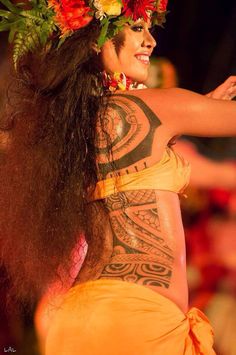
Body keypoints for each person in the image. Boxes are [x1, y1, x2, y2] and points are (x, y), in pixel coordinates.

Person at [1, 1, 236, 354]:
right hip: (136, 321)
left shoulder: (68, 129)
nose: (152, 42)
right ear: (96, 39)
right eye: (138, 29)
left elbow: (131, 156)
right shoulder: (153, 106)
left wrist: (195, 108)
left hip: (74, 319)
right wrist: (193, 109)